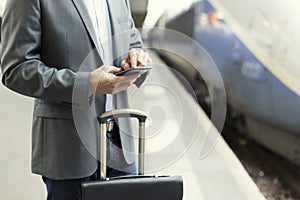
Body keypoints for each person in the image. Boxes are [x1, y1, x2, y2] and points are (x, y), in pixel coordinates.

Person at [0, 0, 152, 199]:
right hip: (69, 148)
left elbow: (133, 44)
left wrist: (138, 60)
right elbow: (16, 70)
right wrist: (86, 84)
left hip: (120, 145)